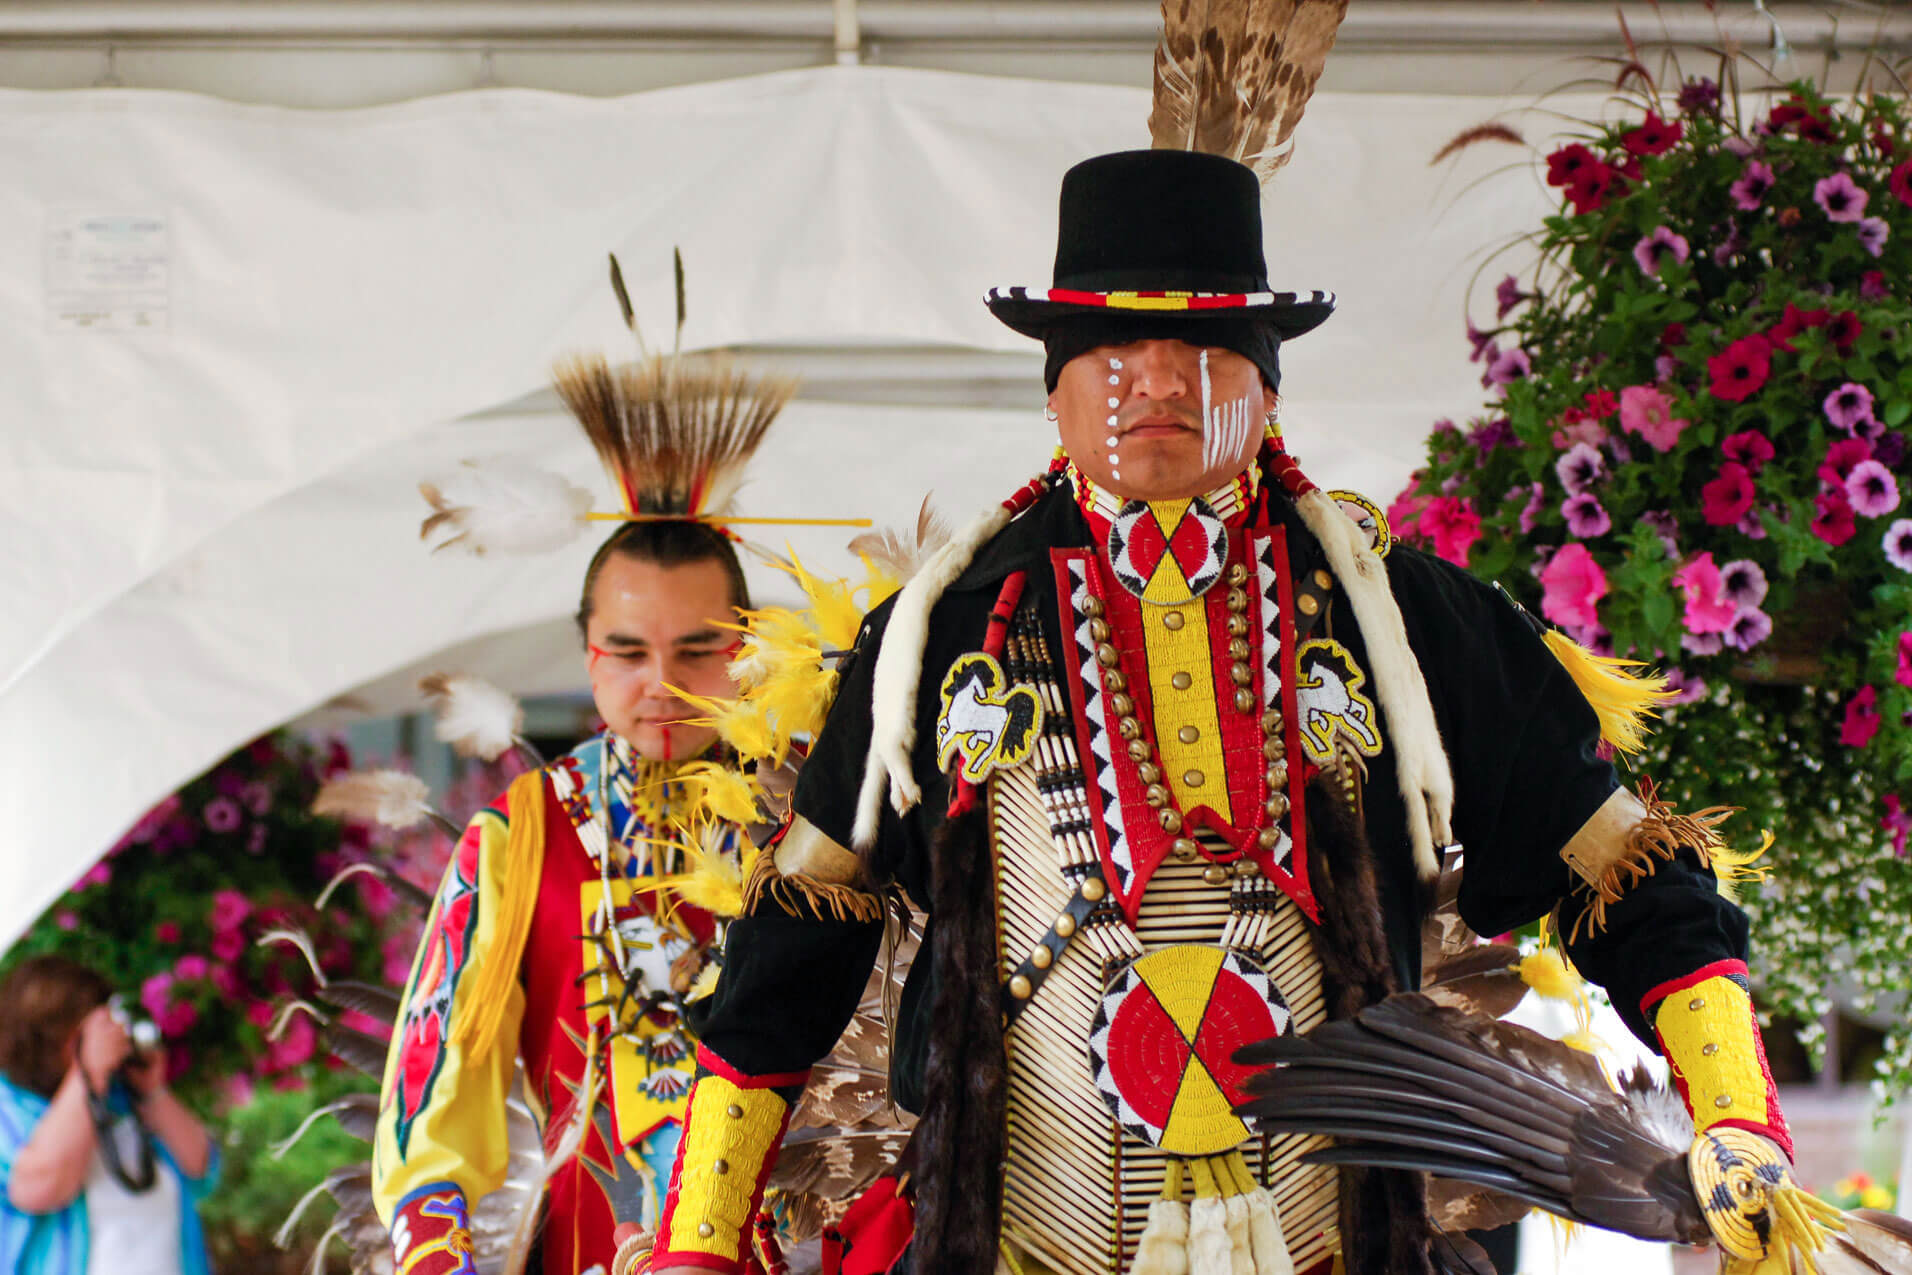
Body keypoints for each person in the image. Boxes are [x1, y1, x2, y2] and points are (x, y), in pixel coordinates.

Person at [640, 155, 1803, 1275]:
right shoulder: (941, 631)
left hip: (1334, 1242)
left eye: (1202, 344)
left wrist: (1739, 1117)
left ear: (1266, 374)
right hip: (1019, 1244)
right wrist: (698, 1238)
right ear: (1054, 380)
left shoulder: (1401, 616)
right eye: (1110, 348)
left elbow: (1628, 871)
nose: (1156, 380)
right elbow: (792, 949)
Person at [369, 348, 869, 1275]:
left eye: (698, 648)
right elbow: (435, 1094)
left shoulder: (823, 820)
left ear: (748, 643)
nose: (662, 684)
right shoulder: (523, 836)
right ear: (587, 652)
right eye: (629, 651)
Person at [0, 955, 217, 1275]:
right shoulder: (2, 1106)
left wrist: (154, 1092)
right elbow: (38, 1187)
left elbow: (202, 1171)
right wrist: (87, 1073)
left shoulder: (121, 1098)